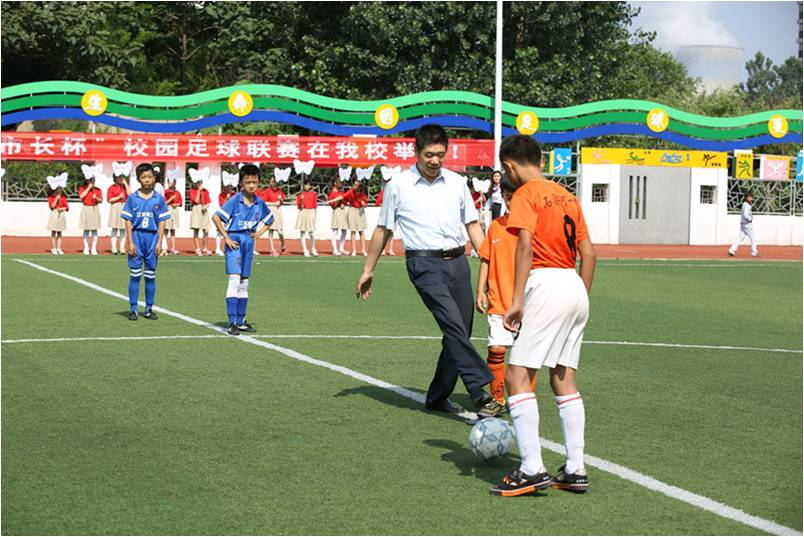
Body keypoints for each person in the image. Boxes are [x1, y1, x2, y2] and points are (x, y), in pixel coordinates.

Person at [355, 124, 501, 418]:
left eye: (440, 155)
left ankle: (437, 396)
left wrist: (491, 264)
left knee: (459, 330)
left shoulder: (458, 183)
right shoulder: (397, 186)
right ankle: (479, 391)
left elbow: (472, 225)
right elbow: (383, 229)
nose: (435, 160)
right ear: (416, 152)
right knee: (452, 323)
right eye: (429, 155)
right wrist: (368, 269)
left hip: (458, 262)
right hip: (423, 264)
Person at [489, 135, 596, 497]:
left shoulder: (525, 195)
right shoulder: (567, 195)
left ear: (510, 166)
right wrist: (578, 295)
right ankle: (576, 469)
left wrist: (517, 299)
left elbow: (525, 244)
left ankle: (532, 468)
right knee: (564, 379)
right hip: (574, 285)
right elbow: (590, 254)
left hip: (546, 282)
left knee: (518, 375)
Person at [475, 179, 536, 406]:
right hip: (499, 299)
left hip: (529, 303)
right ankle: (498, 399)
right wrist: (480, 290)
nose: (513, 203)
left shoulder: (534, 228)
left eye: (517, 198)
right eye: (509, 198)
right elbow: (485, 259)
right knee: (497, 348)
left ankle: (525, 399)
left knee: (528, 354)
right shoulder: (496, 226)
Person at [211, 164, 273, 336]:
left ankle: (241, 320)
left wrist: (258, 233)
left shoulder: (260, 203)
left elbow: (270, 220)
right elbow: (216, 217)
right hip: (235, 241)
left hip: (248, 241)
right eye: (248, 182)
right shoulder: (235, 200)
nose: (252, 185)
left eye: (254, 182)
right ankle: (231, 322)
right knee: (234, 280)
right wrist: (226, 237)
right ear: (241, 183)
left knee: (244, 283)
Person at [122, 163, 171, 321]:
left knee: (150, 275)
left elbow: (162, 222)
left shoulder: (159, 199)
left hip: (152, 239)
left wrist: (159, 242)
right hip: (137, 237)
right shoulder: (132, 198)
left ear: (155, 178)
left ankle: (149, 308)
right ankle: (133, 309)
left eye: (150, 177)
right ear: (138, 179)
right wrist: (130, 242)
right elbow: (128, 221)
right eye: (144, 177)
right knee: (135, 275)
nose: (147, 180)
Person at [261, 176, 287, 256]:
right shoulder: (267, 191)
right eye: (271, 181)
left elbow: (279, 203)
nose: (272, 183)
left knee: (280, 231)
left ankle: (283, 245)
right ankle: (272, 249)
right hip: (270, 211)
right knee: (270, 231)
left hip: (277, 211)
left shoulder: (279, 191)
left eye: (274, 181)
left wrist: (276, 202)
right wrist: (273, 203)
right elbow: (264, 202)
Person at [342, 180, 369, 256]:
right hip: (352, 210)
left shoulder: (362, 194)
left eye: (356, 185)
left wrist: (364, 204)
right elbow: (345, 198)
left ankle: (363, 249)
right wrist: (343, 204)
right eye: (354, 184)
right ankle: (354, 250)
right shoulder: (350, 192)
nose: (354, 186)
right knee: (353, 231)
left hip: (360, 211)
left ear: (360, 187)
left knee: (361, 231)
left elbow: (365, 203)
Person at [728, 192, 758, 257]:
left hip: (743, 224)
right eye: (750, 197)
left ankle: (732, 250)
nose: (751, 198)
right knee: (753, 238)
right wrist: (750, 218)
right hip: (747, 224)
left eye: (751, 197)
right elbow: (745, 214)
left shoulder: (745, 204)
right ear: (746, 197)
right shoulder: (746, 204)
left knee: (740, 238)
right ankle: (754, 251)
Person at [78, 176, 103, 255]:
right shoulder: (82, 188)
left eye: (92, 180)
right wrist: (88, 188)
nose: (91, 182)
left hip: (94, 208)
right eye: (89, 180)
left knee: (94, 229)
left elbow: (101, 200)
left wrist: (96, 198)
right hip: (86, 208)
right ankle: (86, 248)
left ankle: (93, 248)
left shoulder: (98, 190)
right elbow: (81, 196)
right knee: (86, 229)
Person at [107, 174, 130, 255]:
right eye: (119, 177)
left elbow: (130, 195)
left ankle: (122, 248)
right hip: (115, 207)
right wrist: (118, 197)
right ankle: (113, 247)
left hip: (124, 207)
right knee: (115, 228)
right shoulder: (111, 187)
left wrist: (126, 184)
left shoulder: (125, 187)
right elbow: (109, 199)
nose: (120, 179)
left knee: (123, 229)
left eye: (122, 177)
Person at [189, 178, 212, 256]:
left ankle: (205, 248)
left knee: (206, 230)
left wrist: (206, 206)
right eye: (197, 182)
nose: (199, 184)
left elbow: (209, 201)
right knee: (196, 229)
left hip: (204, 210)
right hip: (196, 209)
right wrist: (199, 191)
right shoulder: (192, 191)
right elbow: (196, 201)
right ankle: (197, 249)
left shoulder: (206, 191)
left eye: (200, 182)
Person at [296, 180, 319, 257]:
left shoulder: (313, 194)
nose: (307, 186)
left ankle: (313, 248)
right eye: (306, 185)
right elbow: (300, 207)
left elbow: (315, 206)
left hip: (311, 212)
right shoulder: (300, 195)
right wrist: (302, 200)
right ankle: (305, 249)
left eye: (309, 185)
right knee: (302, 232)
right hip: (303, 212)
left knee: (311, 232)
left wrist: (315, 217)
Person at [327, 179, 349, 255]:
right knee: (335, 230)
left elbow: (346, 200)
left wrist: (344, 203)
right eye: (339, 183)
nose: (341, 184)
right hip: (336, 211)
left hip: (343, 211)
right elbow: (332, 205)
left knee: (344, 230)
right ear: (335, 183)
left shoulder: (342, 192)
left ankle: (341, 248)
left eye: (342, 183)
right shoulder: (332, 193)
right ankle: (335, 249)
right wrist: (338, 202)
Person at [375, 179, 397, 256]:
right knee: (384, 232)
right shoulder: (383, 192)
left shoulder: (396, 192)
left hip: (393, 215)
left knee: (391, 233)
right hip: (385, 215)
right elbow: (377, 203)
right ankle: (383, 249)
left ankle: (391, 249)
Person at [215, 181, 237, 256]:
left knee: (231, 232)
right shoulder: (221, 195)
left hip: (232, 216)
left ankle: (229, 247)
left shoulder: (234, 194)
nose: (229, 188)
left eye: (230, 186)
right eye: (227, 186)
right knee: (220, 231)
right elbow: (222, 205)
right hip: (224, 215)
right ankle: (217, 248)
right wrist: (227, 199)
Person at [47, 184, 68, 255]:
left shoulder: (63, 198)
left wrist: (62, 208)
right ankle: (54, 248)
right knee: (53, 232)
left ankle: (59, 247)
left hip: (61, 214)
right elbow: (52, 206)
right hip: (54, 214)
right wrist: (56, 199)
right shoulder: (51, 197)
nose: (59, 191)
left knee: (59, 232)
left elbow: (67, 207)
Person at [163, 178, 182, 255]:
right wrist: (171, 199)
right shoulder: (165, 192)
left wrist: (177, 204)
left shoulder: (177, 192)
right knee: (166, 229)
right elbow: (164, 203)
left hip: (175, 211)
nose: (171, 184)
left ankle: (173, 248)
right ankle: (164, 247)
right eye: (169, 182)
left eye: (172, 182)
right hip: (168, 210)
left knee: (173, 230)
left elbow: (180, 202)